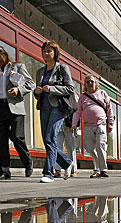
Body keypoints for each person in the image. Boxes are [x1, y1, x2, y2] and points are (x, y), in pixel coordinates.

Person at [0, 45, 35, 180]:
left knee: (17, 137)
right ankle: (5, 171)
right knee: (1, 140)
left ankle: (28, 162)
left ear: (5, 55)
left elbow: (31, 83)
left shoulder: (18, 67)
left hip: (14, 106)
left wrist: (18, 89)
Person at [33, 40, 74, 183]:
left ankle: (49, 173)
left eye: (50, 50)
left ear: (55, 53)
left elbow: (70, 88)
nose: (46, 53)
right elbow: (37, 94)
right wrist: (37, 91)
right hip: (44, 107)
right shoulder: (40, 72)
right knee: (46, 140)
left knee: (50, 138)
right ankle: (67, 162)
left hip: (57, 107)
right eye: (44, 50)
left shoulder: (62, 68)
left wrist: (52, 89)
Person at [71, 75, 114, 178]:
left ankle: (101, 170)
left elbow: (109, 108)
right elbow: (77, 112)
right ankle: (98, 168)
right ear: (85, 84)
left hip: (101, 124)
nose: (90, 83)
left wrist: (110, 122)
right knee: (90, 148)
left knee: (100, 145)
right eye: (87, 82)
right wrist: (74, 124)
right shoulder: (82, 97)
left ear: (96, 83)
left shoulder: (102, 93)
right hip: (87, 126)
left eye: (91, 81)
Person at [55, 92, 80, 178]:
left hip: (69, 124)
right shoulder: (56, 91)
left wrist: (74, 124)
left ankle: (73, 169)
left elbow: (77, 109)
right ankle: (57, 169)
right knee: (57, 146)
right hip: (58, 122)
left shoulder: (73, 94)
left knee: (71, 147)